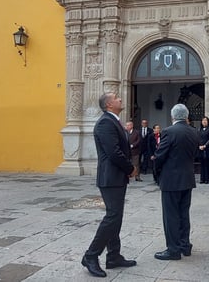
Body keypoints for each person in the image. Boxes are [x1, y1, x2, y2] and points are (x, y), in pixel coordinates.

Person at [81, 92, 137, 278]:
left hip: (116, 177)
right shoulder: (106, 122)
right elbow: (113, 152)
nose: (121, 98)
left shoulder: (113, 120)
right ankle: (91, 256)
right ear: (109, 105)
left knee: (116, 217)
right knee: (113, 216)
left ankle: (113, 256)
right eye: (116, 97)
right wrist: (130, 168)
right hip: (110, 177)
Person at [152, 103, 199, 260]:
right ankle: (185, 246)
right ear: (186, 116)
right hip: (187, 178)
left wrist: (157, 173)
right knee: (183, 214)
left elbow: (160, 156)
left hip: (171, 180)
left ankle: (173, 250)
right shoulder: (193, 132)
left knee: (171, 215)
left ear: (172, 116)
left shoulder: (169, 131)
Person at [198, 116, 209, 184]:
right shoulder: (199, 129)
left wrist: (205, 145)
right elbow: (197, 137)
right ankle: (202, 178)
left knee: (206, 164)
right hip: (200, 148)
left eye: (205, 120)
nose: (204, 122)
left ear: (208, 122)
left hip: (207, 148)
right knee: (202, 164)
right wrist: (199, 145)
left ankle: (207, 178)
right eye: (203, 120)